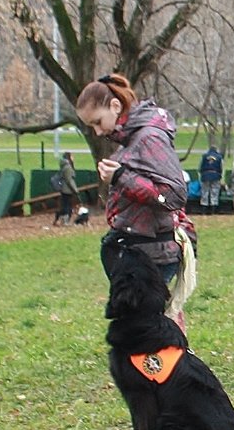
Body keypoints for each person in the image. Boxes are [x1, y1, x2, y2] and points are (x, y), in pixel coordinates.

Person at [76, 73, 187, 289]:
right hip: (139, 252)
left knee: (147, 323)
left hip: (153, 256)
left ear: (115, 106)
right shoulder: (130, 139)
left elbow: (174, 194)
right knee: (150, 321)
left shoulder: (149, 138)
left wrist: (120, 177)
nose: (97, 132)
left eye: (98, 122)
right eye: (91, 126)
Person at [53, 152, 80, 226]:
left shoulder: (64, 166)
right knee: (67, 206)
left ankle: (61, 218)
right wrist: (75, 189)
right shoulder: (68, 167)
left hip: (64, 189)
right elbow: (69, 180)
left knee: (65, 204)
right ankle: (65, 220)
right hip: (67, 190)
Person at [199, 145, 223, 214]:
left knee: (205, 192)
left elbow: (201, 167)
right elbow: (221, 168)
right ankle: (213, 209)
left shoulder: (204, 156)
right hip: (215, 175)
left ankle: (204, 209)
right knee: (214, 192)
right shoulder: (219, 157)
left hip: (205, 175)